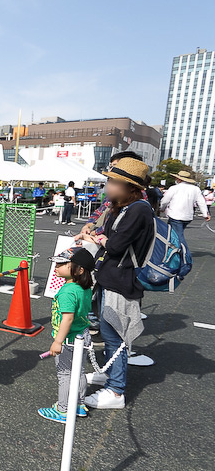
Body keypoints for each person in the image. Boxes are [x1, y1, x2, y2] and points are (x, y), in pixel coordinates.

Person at [77, 157, 155, 409]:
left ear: (129, 187)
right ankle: (110, 375)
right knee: (109, 330)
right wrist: (96, 234)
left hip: (122, 280)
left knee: (115, 336)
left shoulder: (138, 209)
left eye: (112, 182)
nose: (107, 186)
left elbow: (116, 245)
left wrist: (99, 239)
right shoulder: (121, 207)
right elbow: (109, 236)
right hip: (110, 276)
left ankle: (116, 390)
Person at [38, 246, 95, 423]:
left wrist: (58, 341)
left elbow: (67, 319)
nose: (56, 266)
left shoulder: (68, 291)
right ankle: (79, 404)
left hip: (68, 339)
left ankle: (63, 410)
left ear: (79, 270)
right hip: (82, 335)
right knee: (79, 372)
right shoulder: (83, 288)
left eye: (62, 264)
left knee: (65, 374)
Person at [159, 170, 210, 247]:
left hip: (175, 215)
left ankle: (183, 252)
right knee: (176, 235)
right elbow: (201, 202)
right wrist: (205, 214)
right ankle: (175, 250)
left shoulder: (174, 188)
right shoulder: (195, 189)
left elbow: (165, 200)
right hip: (188, 216)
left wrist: (162, 208)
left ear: (179, 179)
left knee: (177, 236)